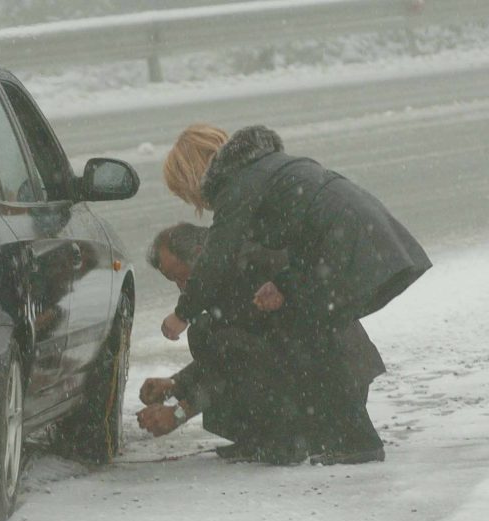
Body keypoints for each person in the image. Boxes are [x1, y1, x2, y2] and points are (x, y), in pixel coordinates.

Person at [159, 124, 431, 464]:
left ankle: (352, 442)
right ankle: (314, 438)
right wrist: (284, 285)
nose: (196, 203)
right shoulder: (260, 169)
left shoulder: (237, 186)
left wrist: (182, 313)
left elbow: (218, 258)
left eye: (187, 193)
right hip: (361, 235)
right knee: (309, 335)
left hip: (348, 244)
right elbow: (301, 237)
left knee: (311, 339)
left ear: (193, 175)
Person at [136, 223, 385, 464]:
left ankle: (288, 439)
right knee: (209, 336)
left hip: (333, 377)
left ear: (200, 255)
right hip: (311, 367)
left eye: (182, 278)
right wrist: (175, 384)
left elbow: (233, 356)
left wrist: (179, 412)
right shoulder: (227, 263)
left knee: (209, 336)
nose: (182, 288)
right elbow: (229, 355)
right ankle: (266, 438)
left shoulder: (246, 269)